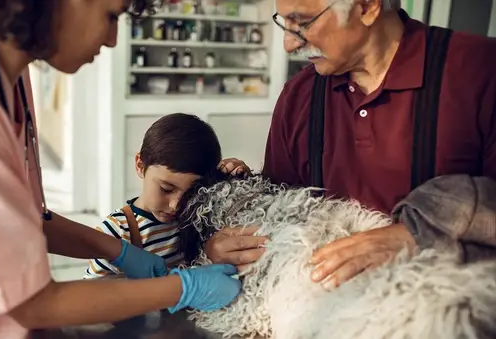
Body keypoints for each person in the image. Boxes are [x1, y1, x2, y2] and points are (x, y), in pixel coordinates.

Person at [0, 1, 244, 338]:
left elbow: (21, 220)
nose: (112, 39)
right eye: (110, 17)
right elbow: (33, 303)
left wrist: (117, 250)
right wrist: (182, 288)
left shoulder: (11, 75)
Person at [203, 0, 496, 289]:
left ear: (367, 6)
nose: (289, 45)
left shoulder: (481, 70)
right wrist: (228, 245)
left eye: (303, 22)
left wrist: (416, 237)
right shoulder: (298, 97)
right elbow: (277, 214)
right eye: (284, 23)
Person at [84, 113, 250, 278]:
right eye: (166, 188)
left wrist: (235, 179)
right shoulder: (116, 232)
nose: (176, 205)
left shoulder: (199, 216)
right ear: (140, 166)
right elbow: (93, 297)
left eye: (191, 194)